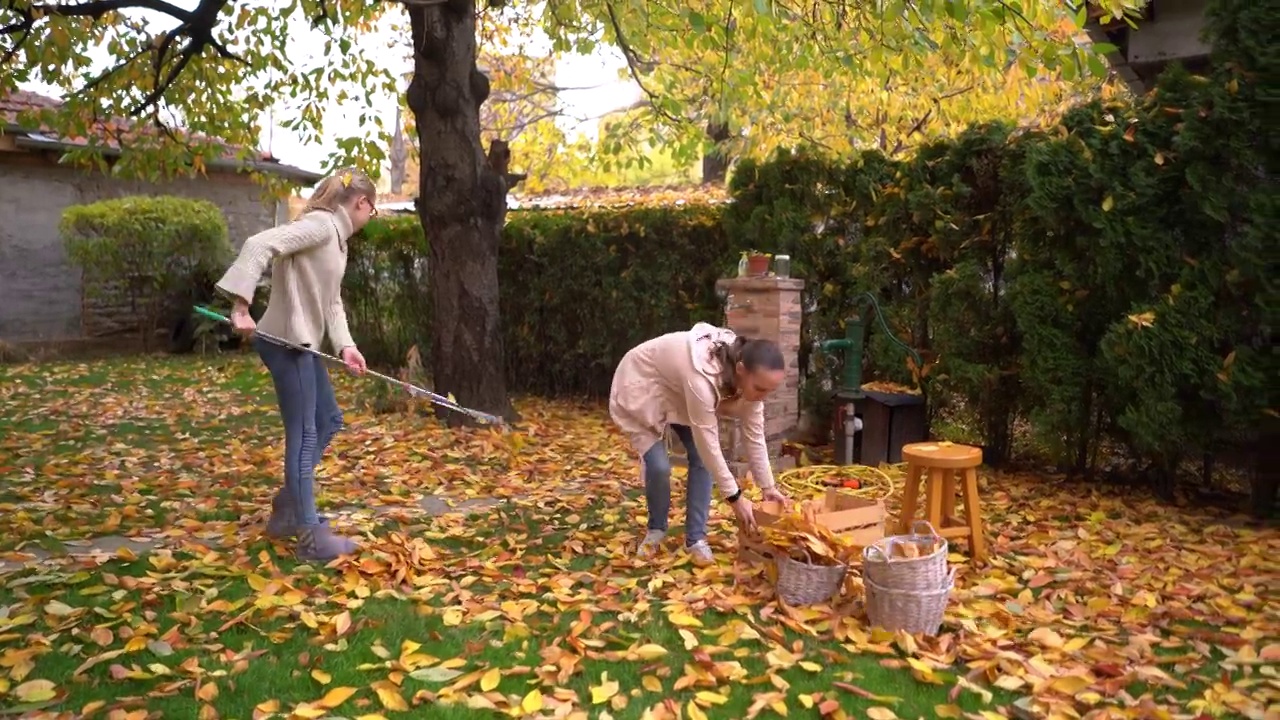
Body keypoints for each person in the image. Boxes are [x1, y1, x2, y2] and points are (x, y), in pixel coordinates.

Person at [214, 167, 377, 562]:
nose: (370, 218)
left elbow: (331, 302)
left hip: (302, 343)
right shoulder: (320, 226)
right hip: (287, 343)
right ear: (361, 203)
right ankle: (310, 537)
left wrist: (346, 347)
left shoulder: (336, 241)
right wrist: (240, 305)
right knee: (305, 435)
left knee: (328, 421)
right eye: (372, 211)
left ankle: (289, 508)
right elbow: (257, 245)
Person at [610, 322, 792, 566]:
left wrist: (768, 487)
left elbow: (755, 437)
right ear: (740, 369)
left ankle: (695, 539)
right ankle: (656, 530)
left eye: (769, 391)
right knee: (659, 467)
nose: (762, 397)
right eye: (759, 388)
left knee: (701, 462)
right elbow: (709, 445)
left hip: (680, 391)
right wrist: (735, 498)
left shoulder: (750, 379)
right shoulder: (701, 378)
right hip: (642, 383)